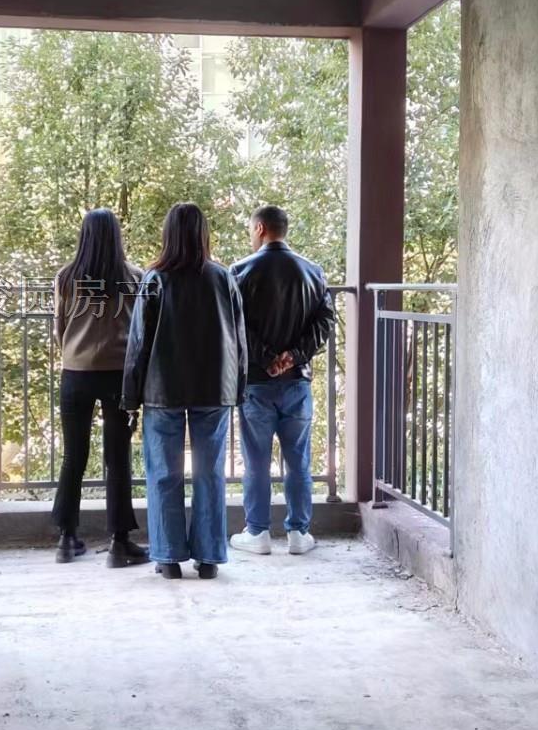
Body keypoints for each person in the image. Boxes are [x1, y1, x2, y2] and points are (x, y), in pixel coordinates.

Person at [121, 203, 246, 580]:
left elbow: (138, 343)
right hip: (214, 388)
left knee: (164, 473)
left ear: (169, 235)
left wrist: (130, 396)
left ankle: (168, 557)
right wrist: (239, 387)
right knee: (210, 474)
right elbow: (239, 338)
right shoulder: (223, 277)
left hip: (163, 390)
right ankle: (209, 558)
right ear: (203, 233)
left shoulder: (155, 278)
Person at [229, 205, 333, 556]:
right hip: (297, 383)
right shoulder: (313, 272)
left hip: (256, 384)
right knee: (298, 459)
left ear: (260, 228)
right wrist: (293, 355)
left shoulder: (239, 271)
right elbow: (324, 323)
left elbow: (235, 325)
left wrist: (266, 358)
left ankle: (257, 532)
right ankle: (299, 533)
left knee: (256, 460)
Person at [51, 209, 150, 568]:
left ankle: (66, 538)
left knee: (73, 456)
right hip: (117, 375)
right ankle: (119, 542)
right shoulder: (134, 278)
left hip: (75, 373)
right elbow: (140, 331)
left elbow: (60, 328)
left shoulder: (66, 277)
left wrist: (74, 351)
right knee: (117, 457)